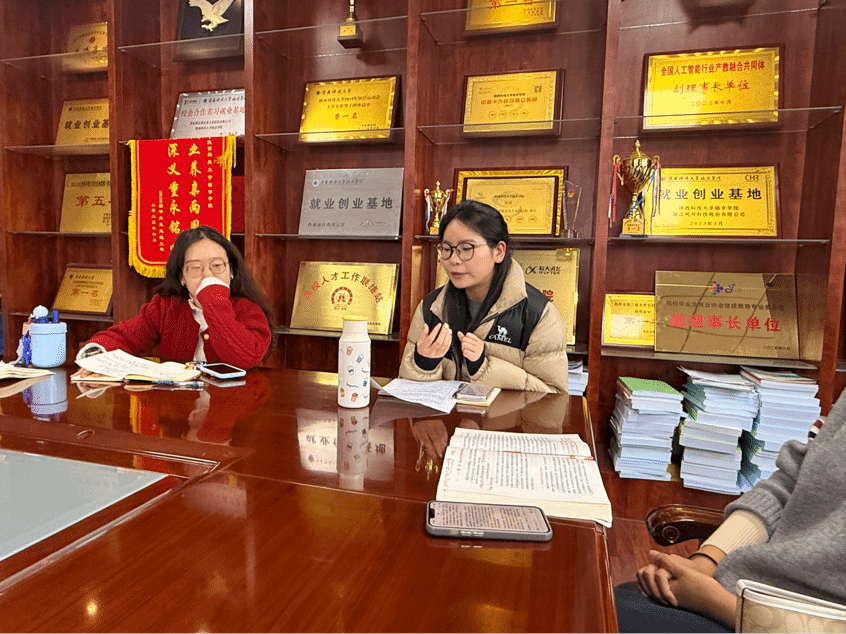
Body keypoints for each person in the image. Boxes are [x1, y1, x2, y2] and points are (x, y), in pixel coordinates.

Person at [615, 388, 846, 633]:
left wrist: (716, 601)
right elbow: (789, 483)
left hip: (762, 619)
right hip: (742, 589)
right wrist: (705, 562)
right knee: (616, 601)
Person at [399, 200, 568, 393]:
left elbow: (554, 397)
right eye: (446, 249)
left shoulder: (538, 315)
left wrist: (483, 368)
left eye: (466, 249)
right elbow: (406, 391)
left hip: (506, 415)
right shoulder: (431, 307)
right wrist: (423, 366)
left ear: (499, 251)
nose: (454, 259)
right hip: (446, 414)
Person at [73, 226, 273, 373]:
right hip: (179, 409)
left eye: (217, 266)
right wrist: (96, 357)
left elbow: (244, 358)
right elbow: (123, 336)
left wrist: (214, 301)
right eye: (195, 268)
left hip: (233, 409)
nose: (208, 275)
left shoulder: (248, 310)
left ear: (231, 272)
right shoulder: (165, 308)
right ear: (182, 277)